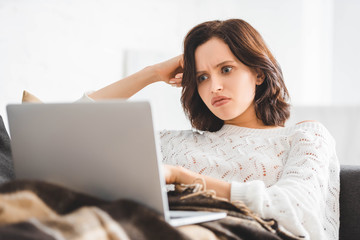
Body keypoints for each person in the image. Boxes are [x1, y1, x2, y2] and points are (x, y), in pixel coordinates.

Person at [80, 19, 339, 239]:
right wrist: (151, 73)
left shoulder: (302, 136)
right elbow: (76, 131)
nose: (214, 86)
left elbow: (294, 209)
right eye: (202, 77)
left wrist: (181, 177)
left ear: (258, 74)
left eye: (226, 70)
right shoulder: (174, 144)